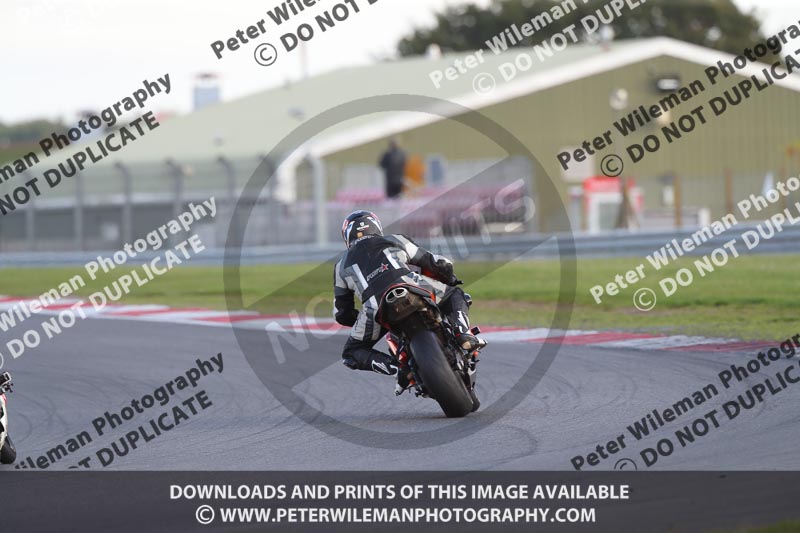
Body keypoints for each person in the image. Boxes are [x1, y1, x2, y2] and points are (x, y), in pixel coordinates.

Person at [333, 210, 486, 376]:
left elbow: (342, 314)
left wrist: (363, 321)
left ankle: (397, 368)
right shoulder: (394, 239)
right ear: (376, 227)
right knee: (454, 294)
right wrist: (450, 278)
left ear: (347, 237)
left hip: (374, 307)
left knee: (351, 353)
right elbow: (437, 263)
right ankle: (462, 334)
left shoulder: (341, 266)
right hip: (411, 284)